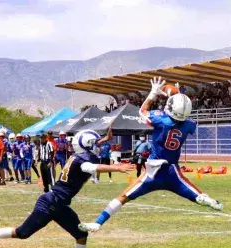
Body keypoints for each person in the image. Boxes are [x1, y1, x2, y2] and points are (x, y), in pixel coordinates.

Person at [0, 128, 134, 248]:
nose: (98, 145)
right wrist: (117, 168)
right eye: (96, 142)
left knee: (81, 235)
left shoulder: (78, 155)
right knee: (22, 233)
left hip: (58, 203)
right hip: (52, 203)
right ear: (88, 144)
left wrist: (105, 138)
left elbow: (89, 147)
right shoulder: (85, 160)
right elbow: (92, 166)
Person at [79, 77, 223, 233]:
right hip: (172, 172)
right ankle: (208, 200)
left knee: (123, 197)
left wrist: (153, 94)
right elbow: (183, 117)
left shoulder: (161, 120)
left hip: (153, 172)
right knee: (195, 193)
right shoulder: (189, 125)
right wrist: (177, 96)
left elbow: (142, 111)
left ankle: (98, 223)